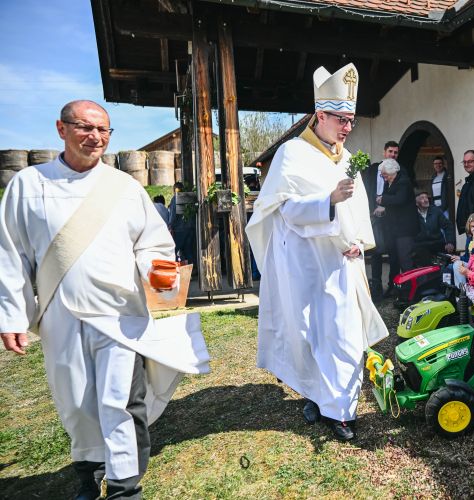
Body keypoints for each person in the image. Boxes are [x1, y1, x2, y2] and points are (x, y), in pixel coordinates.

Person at [0, 100, 209, 499]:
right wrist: (11, 314)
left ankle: (125, 487)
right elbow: (9, 255)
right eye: (85, 127)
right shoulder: (28, 185)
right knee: (76, 402)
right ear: (61, 129)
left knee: (119, 401)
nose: (95, 136)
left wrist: (155, 269)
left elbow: (152, 243)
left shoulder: (125, 188)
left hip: (118, 314)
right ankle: (89, 472)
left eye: (103, 130)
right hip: (61, 315)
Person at [245, 63, 389, 441]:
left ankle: (342, 411)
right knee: (308, 333)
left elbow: (356, 208)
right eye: (341, 119)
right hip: (306, 263)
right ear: (319, 115)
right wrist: (326, 200)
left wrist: (359, 240)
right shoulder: (291, 154)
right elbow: (284, 209)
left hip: (341, 262)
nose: (347, 128)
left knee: (342, 334)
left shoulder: (347, 156)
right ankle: (315, 393)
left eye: (351, 121)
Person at [362, 140, 399, 297]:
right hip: (373, 217)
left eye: (396, 153)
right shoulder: (371, 170)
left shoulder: (399, 171)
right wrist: (370, 211)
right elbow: (363, 190)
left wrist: (386, 207)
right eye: (390, 151)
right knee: (375, 252)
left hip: (390, 218)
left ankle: (393, 286)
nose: (393, 155)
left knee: (393, 252)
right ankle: (376, 287)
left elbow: (399, 196)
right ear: (384, 152)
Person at [376, 158, 418, 283]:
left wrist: (383, 200)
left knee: (406, 261)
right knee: (396, 259)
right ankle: (399, 287)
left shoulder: (403, 181)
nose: (384, 177)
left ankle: (411, 290)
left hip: (404, 230)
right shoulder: (391, 181)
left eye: (385, 175)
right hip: (396, 229)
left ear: (392, 172)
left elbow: (399, 199)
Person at [412, 190, 455, 264]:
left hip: (437, 243)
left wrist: (450, 242)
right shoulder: (412, 214)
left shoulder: (436, 211)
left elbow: (448, 226)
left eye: (426, 197)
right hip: (421, 246)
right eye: (422, 198)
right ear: (416, 202)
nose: (426, 200)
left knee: (445, 264)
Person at [168, 181, 196, 263]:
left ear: (175, 190)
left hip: (180, 230)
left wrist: (170, 226)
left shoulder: (175, 198)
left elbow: (173, 214)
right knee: (188, 250)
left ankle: (175, 268)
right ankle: (192, 268)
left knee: (174, 249)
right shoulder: (189, 198)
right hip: (190, 228)